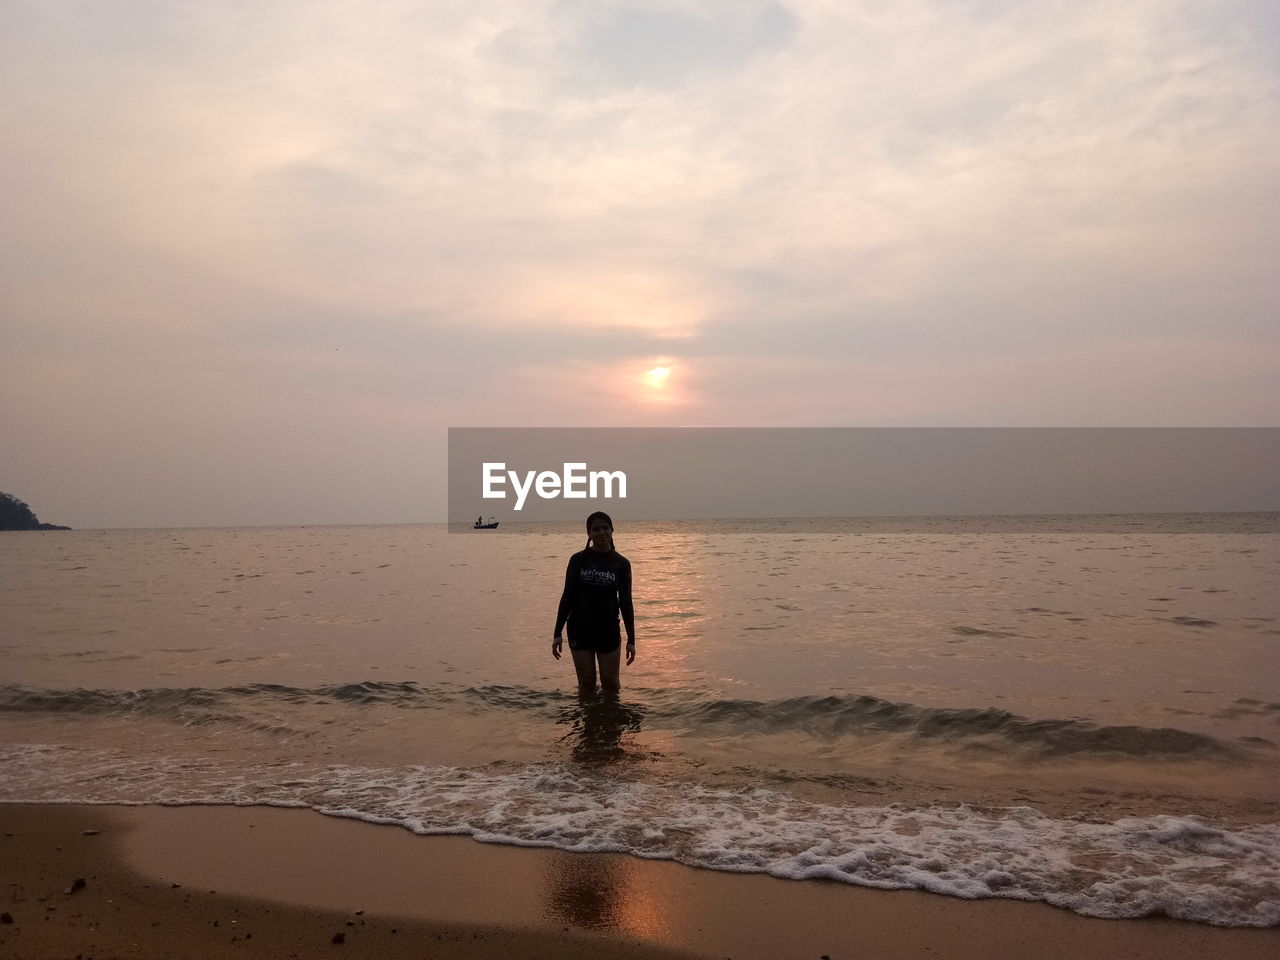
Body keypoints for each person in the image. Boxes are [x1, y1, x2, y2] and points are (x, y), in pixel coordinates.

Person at [552, 511, 636, 692]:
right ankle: (589, 719)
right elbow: (567, 596)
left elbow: (626, 602)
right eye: (596, 529)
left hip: (607, 629)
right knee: (587, 684)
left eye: (605, 527)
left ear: (612, 530)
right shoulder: (577, 560)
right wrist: (557, 633)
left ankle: (610, 718)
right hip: (579, 628)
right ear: (589, 533)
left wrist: (631, 640)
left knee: (611, 684)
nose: (601, 532)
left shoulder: (621, 563)